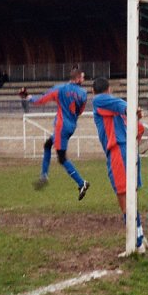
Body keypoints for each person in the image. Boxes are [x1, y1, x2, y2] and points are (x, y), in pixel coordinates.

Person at [92, 76, 148, 256]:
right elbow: (140, 129)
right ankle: (140, 236)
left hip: (118, 151)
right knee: (130, 196)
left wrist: (131, 109)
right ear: (109, 89)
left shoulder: (99, 100)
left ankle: (137, 243)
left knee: (123, 197)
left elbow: (122, 105)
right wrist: (132, 112)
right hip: (130, 150)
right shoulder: (116, 110)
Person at [30, 68, 90, 199]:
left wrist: (29, 97)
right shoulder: (84, 94)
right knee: (47, 145)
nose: (84, 80)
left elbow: (41, 100)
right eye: (83, 77)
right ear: (77, 78)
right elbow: (80, 111)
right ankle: (44, 175)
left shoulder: (60, 89)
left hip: (61, 126)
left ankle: (81, 183)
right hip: (71, 126)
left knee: (62, 158)